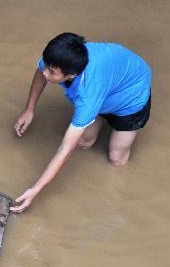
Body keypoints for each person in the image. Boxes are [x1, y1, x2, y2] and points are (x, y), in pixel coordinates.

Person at [11, 33, 152, 213]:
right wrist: (29, 109)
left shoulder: (88, 96)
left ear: (71, 75)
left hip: (131, 96)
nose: (45, 72)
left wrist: (36, 189)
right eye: (46, 65)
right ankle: (100, 115)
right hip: (106, 87)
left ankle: (118, 204)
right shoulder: (59, 58)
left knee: (116, 158)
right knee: (84, 142)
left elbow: (65, 150)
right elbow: (41, 72)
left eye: (52, 72)